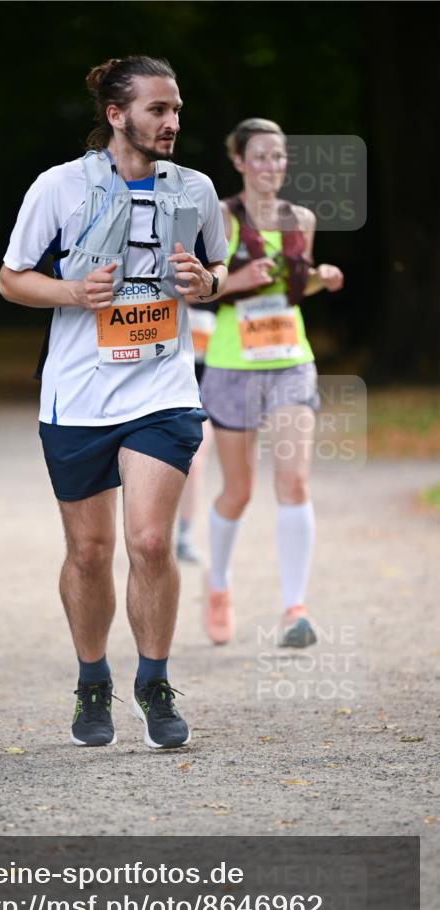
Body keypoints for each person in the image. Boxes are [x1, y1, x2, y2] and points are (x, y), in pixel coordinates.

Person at [0, 56, 227, 749]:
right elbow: (11, 280)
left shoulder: (194, 191)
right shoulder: (59, 188)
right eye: (158, 110)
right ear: (115, 115)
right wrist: (71, 292)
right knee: (91, 550)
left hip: (161, 390)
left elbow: (218, 272)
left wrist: (204, 283)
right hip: (78, 394)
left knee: (150, 541)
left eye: (177, 109)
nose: (172, 123)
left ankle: (153, 682)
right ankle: (91, 679)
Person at [200, 118, 344, 648]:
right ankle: (217, 585)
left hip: (289, 360)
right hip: (232, 365)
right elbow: (200, 287)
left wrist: (321, 278)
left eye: (279, 157)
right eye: (259, 157)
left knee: (296, 482)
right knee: (238, 491)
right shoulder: (218, 214)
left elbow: (292, 288)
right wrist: (238, 279)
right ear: (238, 161)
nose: (270, 167)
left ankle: (293, 608)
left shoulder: (300, 217)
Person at [175, 304, 216, 563]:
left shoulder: (215, 304)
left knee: (195, 464)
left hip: (201, 399)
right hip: (158, 396)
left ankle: (184, 537)